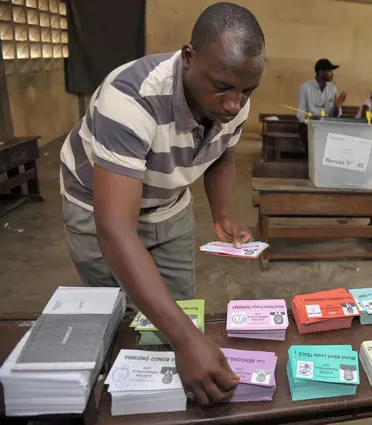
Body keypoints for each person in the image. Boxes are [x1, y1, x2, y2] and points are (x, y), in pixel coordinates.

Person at [59, 2, 265, 405]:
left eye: (246, 92)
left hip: (169, 204)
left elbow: (222, 153)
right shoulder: (130, 99)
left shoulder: (235, 98)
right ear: (189, 57)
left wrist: (222, 213)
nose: (233, 105)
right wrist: (188, 341)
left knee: (178, 312)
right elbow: (115, 228)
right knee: (121, 325)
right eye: (222, 87)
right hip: (97, 210)